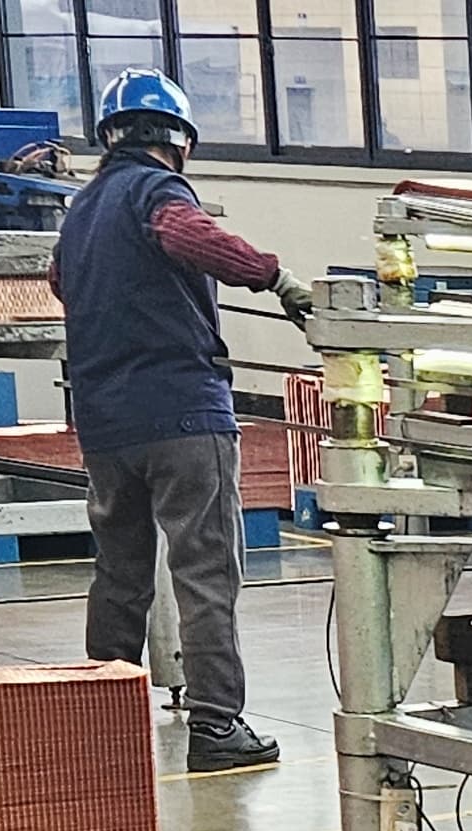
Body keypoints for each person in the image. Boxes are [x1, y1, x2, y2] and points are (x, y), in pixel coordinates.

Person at [52, 71, 314, 774]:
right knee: (205, 572)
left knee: (120, 572)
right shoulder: (158, 192)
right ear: (183, 142)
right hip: (182, 414)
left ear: (106, 136)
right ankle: (217, 726)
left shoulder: (80, 210)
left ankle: (105, 721)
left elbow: (59, 282)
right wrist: (275, 278)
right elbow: (189, 236)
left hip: (105, 424)